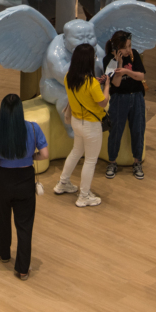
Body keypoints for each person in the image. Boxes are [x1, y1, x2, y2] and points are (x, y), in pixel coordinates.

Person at [0, 94, 49, 280]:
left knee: (1, 219)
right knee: (24, 225)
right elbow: (45, 154)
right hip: (25, 179)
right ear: (21, 110)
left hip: (3, 179)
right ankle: (22, 268)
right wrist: (32, 157)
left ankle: (3, 254)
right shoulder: (33, 128)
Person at [54, 43, 110, 207]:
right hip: (91, 126)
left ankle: (63, 183)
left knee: (76, 152)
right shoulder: (92, 83)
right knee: (90, 161)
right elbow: (103, 102)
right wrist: (106, 85)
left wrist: (96, 84)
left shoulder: (68, 77)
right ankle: (84, 196)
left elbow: (83, 90)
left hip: (76, 122)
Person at [102, 30, 146, 179]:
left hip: (137, 96)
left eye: (130, 46)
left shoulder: (134, 55)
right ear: (116, 48)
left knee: (138, 129)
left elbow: (141, 76)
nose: (128, 50)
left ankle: (137, 162)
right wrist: (119, 64)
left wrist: (127, 71)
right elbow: (116, 84)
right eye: (125, 47)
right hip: (119, 98)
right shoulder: (108, 60)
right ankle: (112, 162)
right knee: (115, 130)